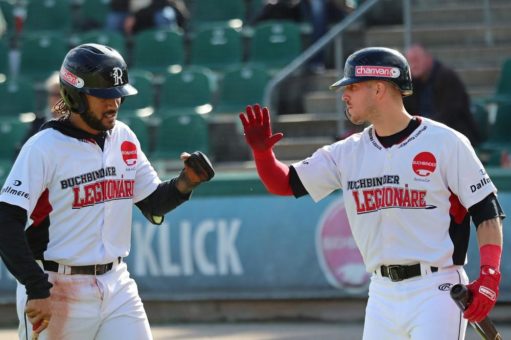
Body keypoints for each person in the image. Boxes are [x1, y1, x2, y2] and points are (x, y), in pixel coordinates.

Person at [239, 47, 504, 339]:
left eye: (352, 86)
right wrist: (263, 154)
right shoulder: (346, 152)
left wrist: (490, 276)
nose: (344, 94)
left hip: (436, 288)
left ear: (379, 88)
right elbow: (285, 183)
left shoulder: (446, 142)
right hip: (381, 293)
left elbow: (486, 211)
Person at [0, 43, 214, 340]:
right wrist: (35, 287)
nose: (113, 103)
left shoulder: (124, 137)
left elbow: (152, 203)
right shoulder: (43, 147)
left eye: (117, 94)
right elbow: (5, 221)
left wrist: (185, 183)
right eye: (102, 95)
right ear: (75, 95)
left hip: (117, 285)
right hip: (57, 287)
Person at [403, 43, 481, 146]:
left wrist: (423, 130)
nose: (413, 65)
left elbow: (449, 114)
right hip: (423, 134)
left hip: (455, 135)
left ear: (428, 58)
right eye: (410, 62)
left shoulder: (447, 76)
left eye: (416, 60)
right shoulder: (411, 83)